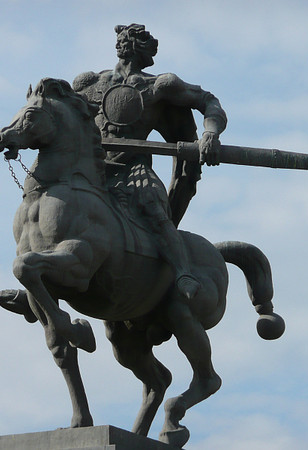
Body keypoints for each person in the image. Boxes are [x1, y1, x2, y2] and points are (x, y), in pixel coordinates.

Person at [73, 23, 227, 299]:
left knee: (153, 207)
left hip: (132, 168)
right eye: (122, 39)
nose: (122, 43)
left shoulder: (159, 85)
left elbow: (207, 100)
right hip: (92, 169)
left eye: (129, 40)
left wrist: (210, 134)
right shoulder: (89, 83)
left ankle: (182, 273)